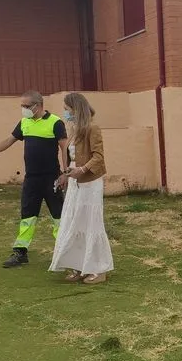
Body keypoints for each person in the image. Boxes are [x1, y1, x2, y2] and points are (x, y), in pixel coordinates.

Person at [0, 90, 68, 268]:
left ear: (38, 105)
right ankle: (20, 252)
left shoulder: (55, 122)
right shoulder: (24, 122)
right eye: (22, 106)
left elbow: (64, 147)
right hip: (31, 179)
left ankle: (64, 252)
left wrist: (65, 173)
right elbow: (8, 141)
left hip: (51, 178)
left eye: (26, 106)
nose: (23, 109)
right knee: (27, 216)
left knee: (59, 216)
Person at [50, 93, 113, 285]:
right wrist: (67, 173)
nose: (65, 113)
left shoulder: (92, 128)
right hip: (75, 183)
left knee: (91, 223)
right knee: (74, 222)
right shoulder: (74, 129)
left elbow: (98, 156)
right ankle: (79, 266)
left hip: (90, 183)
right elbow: (72, 156)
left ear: (76, 109)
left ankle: (98, 269)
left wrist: (82, 170)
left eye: (67, 109)